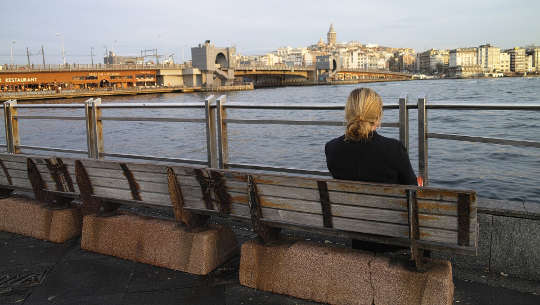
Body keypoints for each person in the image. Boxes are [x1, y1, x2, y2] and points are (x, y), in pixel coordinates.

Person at [325, 87, 418, 252]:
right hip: (395, 235)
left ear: (348, 113)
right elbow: (413, 192)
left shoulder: (331, 148)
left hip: (358, 231)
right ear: (378, 116)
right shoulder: (394, 149)